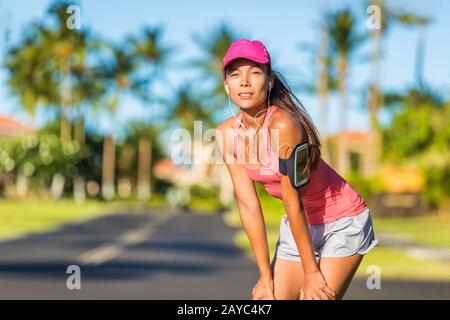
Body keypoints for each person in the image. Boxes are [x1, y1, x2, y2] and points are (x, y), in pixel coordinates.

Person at [215, 39, 379, 300]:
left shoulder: (283, 125)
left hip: (342, 220)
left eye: (255, 72)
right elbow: (247, 204)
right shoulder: (225, 134)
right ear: (227, 85)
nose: (244, 81)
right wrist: (264, 276)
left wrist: (311, 272)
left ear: (269, 81)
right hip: (299, 225)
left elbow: (293, 201)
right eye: (235, 75)